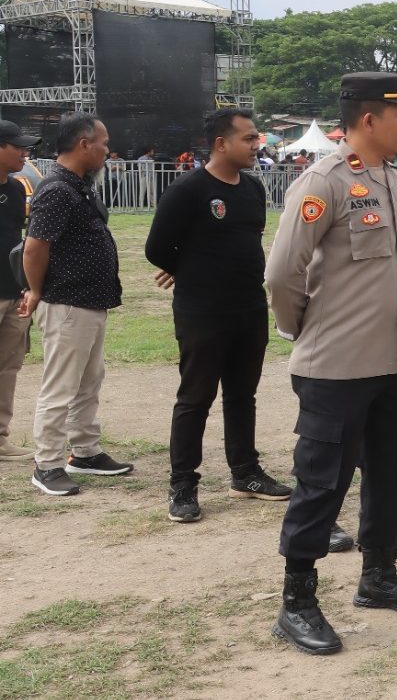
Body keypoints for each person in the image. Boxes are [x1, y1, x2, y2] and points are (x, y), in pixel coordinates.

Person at [266, 72, 397, 655]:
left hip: (394, 361)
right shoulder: (324, 180)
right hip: (336, 365)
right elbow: (282, 272)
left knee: (391, 471)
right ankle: (297, 601)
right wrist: (303, 329)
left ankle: (379, 575)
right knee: (322, 483)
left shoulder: (395, 180)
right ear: (369, 120)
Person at [145, 109, 288, 523]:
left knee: (242, 395)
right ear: (221, 144)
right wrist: (188, 267)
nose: (257, 145)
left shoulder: (253, 188)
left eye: (257, 137)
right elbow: (157, 248)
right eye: (248, 138)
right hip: (203, 312)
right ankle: (183, 485)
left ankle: (245, 473)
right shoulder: (188, 189)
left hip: (249, 308)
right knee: (195, 398)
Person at [22, 113, 128, 496]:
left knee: (88, 382)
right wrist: (36, 291)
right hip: (66, 302)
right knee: (61, 387)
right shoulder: (57, 190)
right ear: (84, 144)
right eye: (103, 142)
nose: (107, 150)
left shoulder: (78, 186)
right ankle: (47, 464)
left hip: (88, 301)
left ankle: (84, 451)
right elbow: (35, 248)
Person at [0, 121, 40, 462]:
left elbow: (18, 242)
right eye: (17, 146)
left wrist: (27, 285)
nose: (24, 153)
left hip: (14, 292)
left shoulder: (15, 189)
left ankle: (0, 439)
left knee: (8, 368)